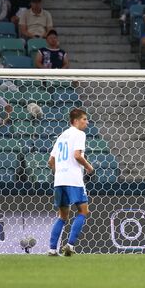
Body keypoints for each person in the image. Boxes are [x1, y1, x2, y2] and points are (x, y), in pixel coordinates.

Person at [47, 108, 95, 256]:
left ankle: (52, 249)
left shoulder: (61, 136)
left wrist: (59, 172)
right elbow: (77, 155)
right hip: (74, 179)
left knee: (62, 216)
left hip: (59, 180)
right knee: (83, 210)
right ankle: (70, 245)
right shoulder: (79, 134)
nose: (87, 122)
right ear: (75, 121)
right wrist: (89, 167)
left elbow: (50, 161)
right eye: (84, 119)